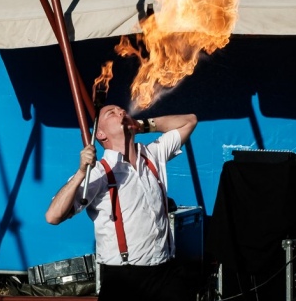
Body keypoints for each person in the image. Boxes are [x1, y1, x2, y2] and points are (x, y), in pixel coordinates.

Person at [45, 105, 198, 300]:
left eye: (122, 110)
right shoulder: (99, 172)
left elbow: (189, 120)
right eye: (112, 113)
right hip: (124, 281)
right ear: (100, 134)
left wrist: (141, 125)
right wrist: (81, 173)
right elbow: (53, 216)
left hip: (165, 274)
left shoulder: (153, 155)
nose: (121, 112)